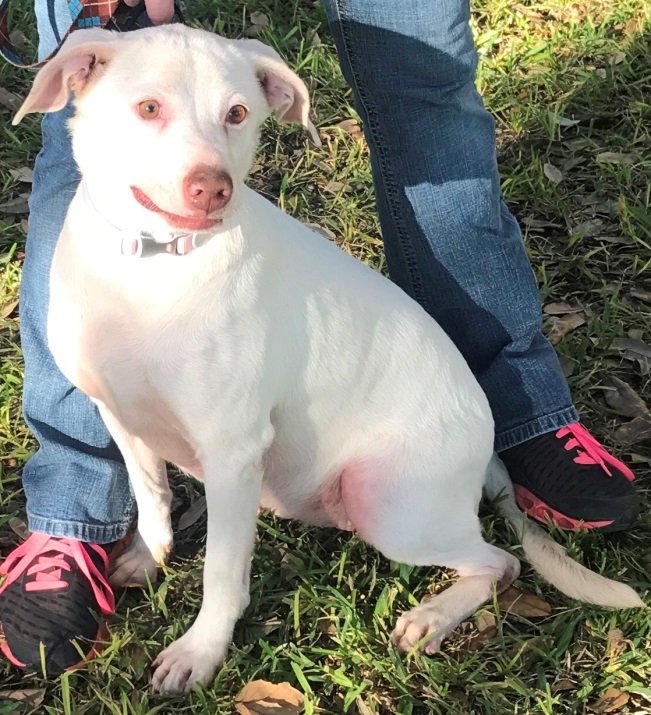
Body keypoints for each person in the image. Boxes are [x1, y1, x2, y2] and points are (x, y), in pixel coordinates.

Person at [0, 0, 638, 674]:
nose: (207, 170)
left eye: (234, 117)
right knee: (105, 383)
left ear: (274, 102)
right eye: (150, 110)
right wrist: (157, 528)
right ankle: (125, 523)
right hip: (287, 424)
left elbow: (234, 453)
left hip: (403, 439)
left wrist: (209, 629)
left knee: (321, 486)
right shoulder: (81, 250)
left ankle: (479, 566)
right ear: (77, 78)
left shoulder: (232, 267)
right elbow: (110, 399)